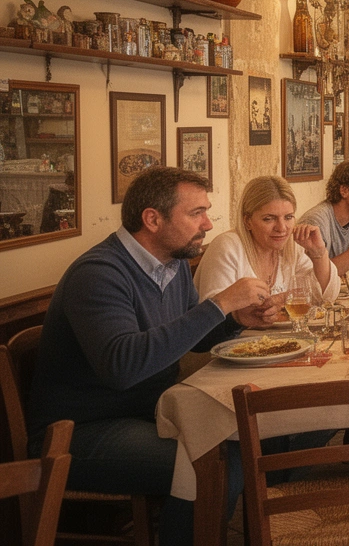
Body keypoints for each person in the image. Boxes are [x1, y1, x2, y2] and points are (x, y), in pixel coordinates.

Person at [25, 167, 277, 543]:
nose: (208, 223)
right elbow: (123, 367)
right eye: (196, 213)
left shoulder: (172, 264)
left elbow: (186, 338)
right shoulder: (99, 273)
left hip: (149, 412)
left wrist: (234, 319)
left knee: (249, 436)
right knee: (212, 463)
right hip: (82, 431)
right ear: (153, 219)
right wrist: (220, 303)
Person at [196, 176, 341, 304]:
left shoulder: (292, 245)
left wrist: (319, 254)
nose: (282, 228)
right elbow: (214, 312)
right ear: (247, 221)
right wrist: (286, 298)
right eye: (269, 219)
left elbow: (325, 297)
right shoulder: (227, 247)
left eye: (288, 217)